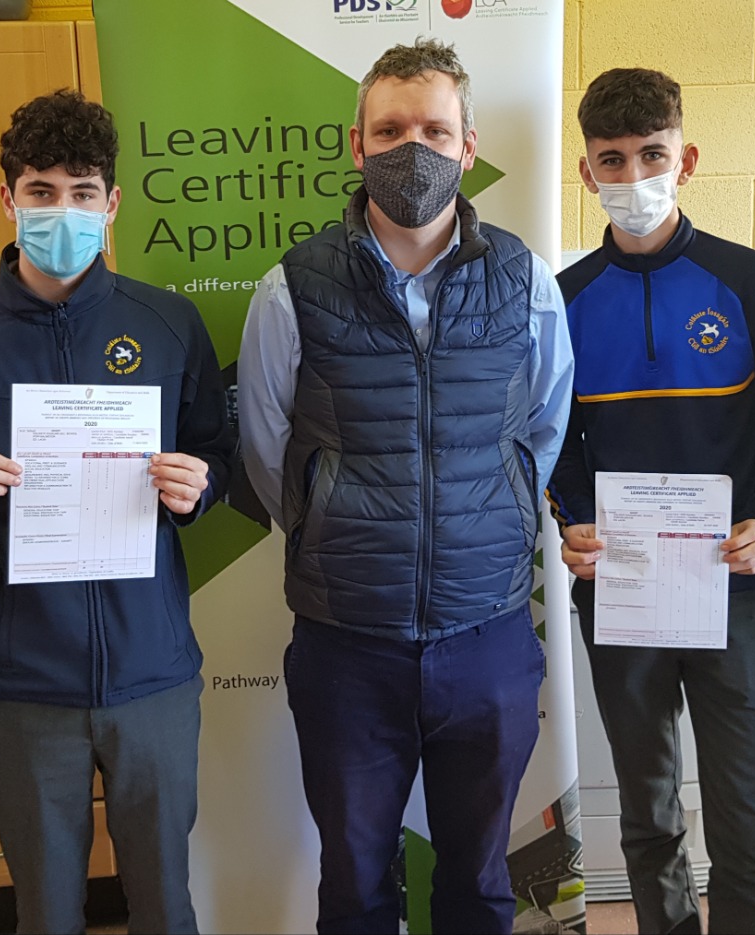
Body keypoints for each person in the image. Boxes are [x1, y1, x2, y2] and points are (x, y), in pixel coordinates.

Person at [237, 38, 575, 935]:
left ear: (468, 148)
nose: (412, 149)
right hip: (348, 642)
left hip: (487, 633)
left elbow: (542, 429)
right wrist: (327, 518)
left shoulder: (524, 280)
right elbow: (267, 448)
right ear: (358, 145)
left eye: (434, 130)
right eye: (390, 131)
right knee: (354, 882)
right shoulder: (292, 288)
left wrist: (492, 514)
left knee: (480, 879)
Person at [0, 89, 233, 935]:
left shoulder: (169, 323)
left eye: (82, 192)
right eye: (41, 191)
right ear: (8, 198)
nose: (63, 211)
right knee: (46, 910)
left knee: (166, 903)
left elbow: (217, 455)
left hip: (153, 671)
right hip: (25, 682)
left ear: (111, 204)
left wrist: (199, 485)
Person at [546, 67, 755, 935]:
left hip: (735, 586)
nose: (633, 177)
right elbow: (552, 439)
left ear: (687, 158)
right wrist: (574, 521)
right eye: (612, 160)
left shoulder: (752, 280)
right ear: (587, 171)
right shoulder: (563, 298)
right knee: (648, 810)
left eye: (652, 155)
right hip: (622, 588)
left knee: (744, 817)